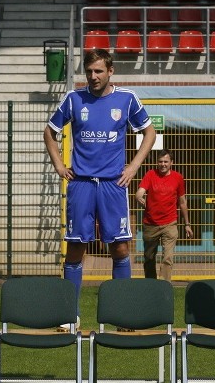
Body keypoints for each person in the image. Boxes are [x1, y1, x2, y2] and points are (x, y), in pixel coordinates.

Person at [44, 48, 156, 328]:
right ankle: (70, 316)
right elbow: (49, 131)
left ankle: (122, 315)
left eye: (98, 71)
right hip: (81, 184)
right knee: (74, 249)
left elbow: (149, 133)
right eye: (89, 71)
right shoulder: (74, 99)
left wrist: (133, 167)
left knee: (120, 249)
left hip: (112, 185)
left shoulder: (127, 99)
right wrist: (59, 165)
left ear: (111, 71)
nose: (93, 77)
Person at [135, 149, 193, 281]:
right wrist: (139, 196)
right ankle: (151, 285)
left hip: (170, 223)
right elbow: (140, 192)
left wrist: (187, 224)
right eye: (160, 161)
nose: (163, 164)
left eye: (166, 161)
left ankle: (164, 286)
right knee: (149, 257)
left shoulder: (178, 178)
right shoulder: (150, 174)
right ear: (157, 162)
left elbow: (182, 202)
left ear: (171, 163)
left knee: (167, 258)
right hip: (150, 224)